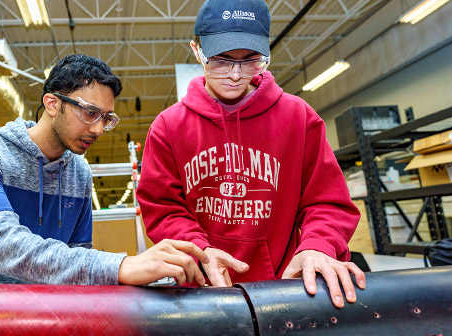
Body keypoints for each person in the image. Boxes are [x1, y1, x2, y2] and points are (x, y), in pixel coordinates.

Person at [137, 0, 366, 308]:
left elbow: (327, 201)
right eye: (221, 60)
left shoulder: (298, 117)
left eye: (250, 60)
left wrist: (318, 245)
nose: (235, 74)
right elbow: (164, 208)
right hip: (204, 292)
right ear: (196, 51)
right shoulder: (169, 127)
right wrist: (198, 250)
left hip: (285, 289)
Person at [0, 54, 208, 286]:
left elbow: (76, 259)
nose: (98, 129)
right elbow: (1, 246)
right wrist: (120, 267)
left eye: (106, 118)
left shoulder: (79, 173)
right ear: (52, 104)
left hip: (41, 319)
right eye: (90, 113)